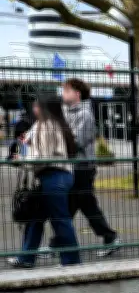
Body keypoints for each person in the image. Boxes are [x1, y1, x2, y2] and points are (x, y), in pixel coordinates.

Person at [8, 97, 81, 268]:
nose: (33, 108)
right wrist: (26, 144)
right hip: (55, 177)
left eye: (36, 105)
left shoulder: (47, 125)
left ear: (43, 107)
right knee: (36, 218)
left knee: (60, 219)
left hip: (53, 177)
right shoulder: (48, 124)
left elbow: (43, 157)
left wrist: (22, 159)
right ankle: (26, 258)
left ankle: (72, 261)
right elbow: (35, 145)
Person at [60, 78, 120, 257]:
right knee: (78, 205)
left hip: (83, 167)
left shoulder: (84, 115)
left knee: (78, 204)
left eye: (66, 90)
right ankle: (109, 238)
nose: (63, 93)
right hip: (72, 166)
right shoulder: (67, 113)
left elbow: (77, 141)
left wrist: (58, 142)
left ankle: (109, 237)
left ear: (77, 94)